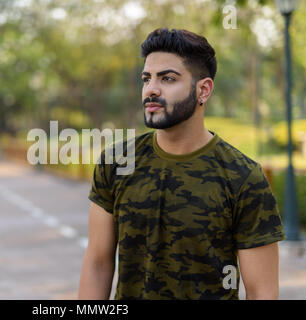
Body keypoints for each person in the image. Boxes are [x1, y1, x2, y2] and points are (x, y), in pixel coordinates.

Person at [78, 28, 286, 300]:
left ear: (203, 89)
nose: (151, 89)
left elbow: (262, 291)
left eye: (167, 78)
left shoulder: (243, 176)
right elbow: (98, 263)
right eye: (147, 78)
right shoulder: (116, 163)